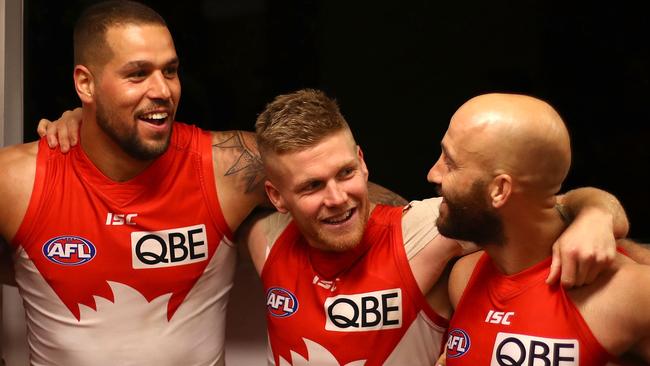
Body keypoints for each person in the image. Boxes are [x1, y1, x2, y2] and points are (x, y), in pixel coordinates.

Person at [233, 89, 631, 365]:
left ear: (362, 161)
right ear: (277, 196)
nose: (337, 198)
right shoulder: (263, 240)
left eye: (345, 172)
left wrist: (595, 213)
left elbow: (533, 204)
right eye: (312, 186)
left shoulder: (424, 229)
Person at [0, 1, 269, 365]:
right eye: (138, 74)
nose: (163, 90)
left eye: (170, 71)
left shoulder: (227, 168)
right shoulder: (19, 180)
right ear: (86, 84)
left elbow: (348, 187)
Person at [432, 93, 650, 364]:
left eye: (450, 163)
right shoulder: (463, 279)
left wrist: (597, 214)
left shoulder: (628, 292)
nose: (433, 174)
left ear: (500, 190)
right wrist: (596, 211)